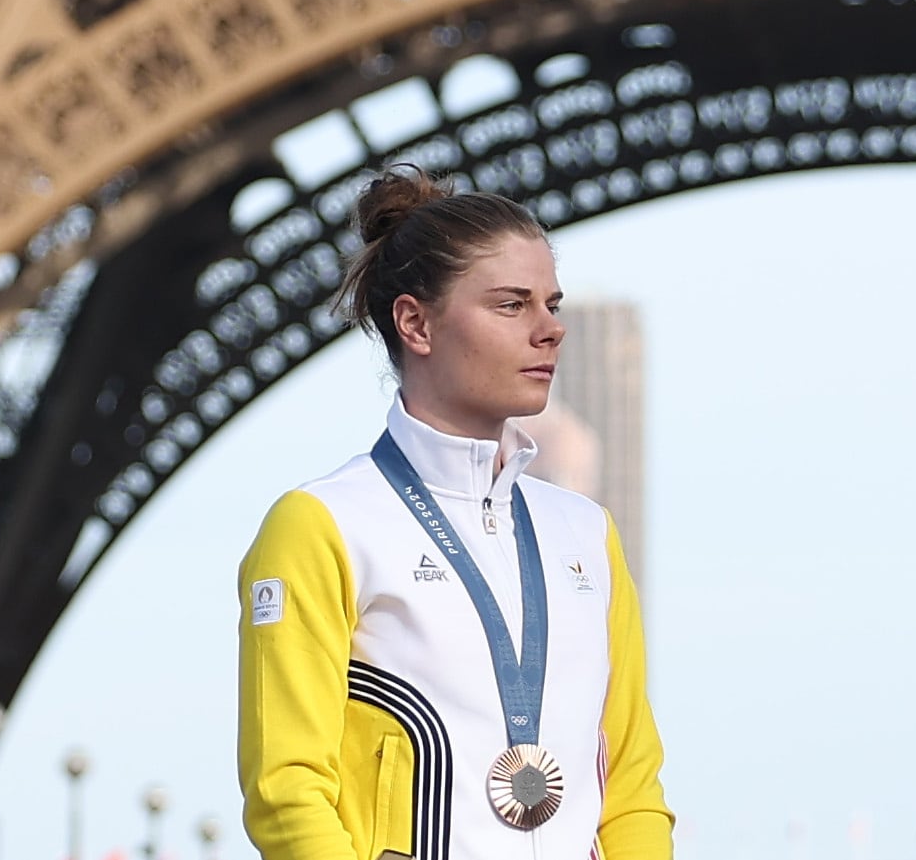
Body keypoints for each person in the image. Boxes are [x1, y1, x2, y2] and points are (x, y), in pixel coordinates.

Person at [237, 170, 671, 860]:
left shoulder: (587, 533)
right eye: (511, 304)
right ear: (416, 322)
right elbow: (287, 789)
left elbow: (632, 786)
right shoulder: (322, 525)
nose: (551, 328)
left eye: (551, 303)